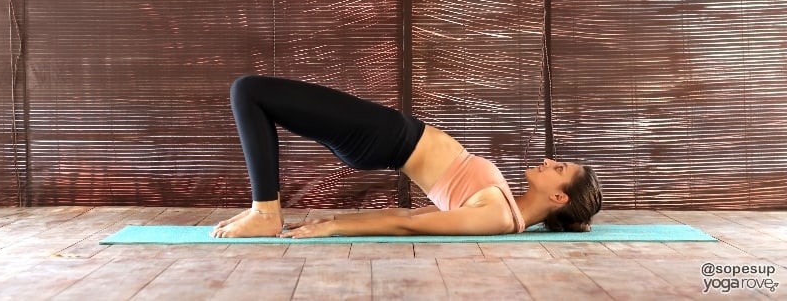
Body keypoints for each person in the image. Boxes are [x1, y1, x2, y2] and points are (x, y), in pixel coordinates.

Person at [210, 75, 602, 239]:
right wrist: (328, 221)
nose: (550, 161)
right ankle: (261, 211)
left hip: (386, 138)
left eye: (560, 168)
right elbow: (414, 217)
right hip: (386, 136)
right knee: (256, 98)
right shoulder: (506, 206)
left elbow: (409, 223)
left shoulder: (498, 217)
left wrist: (334, 228)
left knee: (248, 91)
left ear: (559, 197)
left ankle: (265, 211)